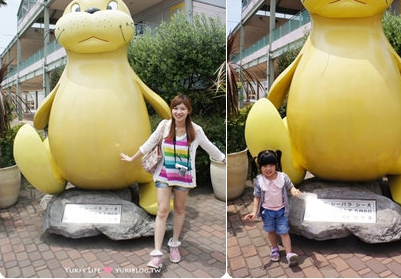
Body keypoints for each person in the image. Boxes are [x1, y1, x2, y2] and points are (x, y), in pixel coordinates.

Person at [119, 94, 226, 269]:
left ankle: (174, 243)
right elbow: (148, 144)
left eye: (182, 108)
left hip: (184, 177)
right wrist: (132, 158)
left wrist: (224, 160)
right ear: (172, 110)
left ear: (188, 110)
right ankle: (156, 254)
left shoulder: (196, 131)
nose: (178, 111)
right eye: (175, 108)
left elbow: (210, 148)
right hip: (164, 175)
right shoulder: (164, 126)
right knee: (162, 210)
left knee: (179, 209)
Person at [243, 149, 302, 267]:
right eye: (264, 166)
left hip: (282, 211)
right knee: (271, 231)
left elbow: (290, 187)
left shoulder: (282, 177)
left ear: (276, 165)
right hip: (267, 212)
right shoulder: (259, 180)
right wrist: (254, 212)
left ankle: (289, 254)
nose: (268, 169)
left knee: (284, 232)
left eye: (271, 165)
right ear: (260, 166)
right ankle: (274, 249)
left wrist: (294, 191)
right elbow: (257, 197)